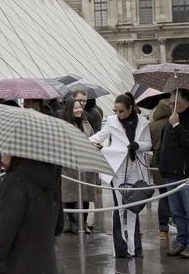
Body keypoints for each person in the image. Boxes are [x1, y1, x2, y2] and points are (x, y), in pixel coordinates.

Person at [89, 93, 152, 259]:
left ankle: (135, 248)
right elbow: (100, 136)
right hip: (117, 169)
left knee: (133, 208)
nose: (118, 114)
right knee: (118, 208)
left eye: (121, 111)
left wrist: (138, 145)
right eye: (115, 110)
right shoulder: (111, 121)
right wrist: (86, 141)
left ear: (130, 108)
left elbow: (149, 144)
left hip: (135, 168)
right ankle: (121, 249)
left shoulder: (143, 122)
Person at [157, 89, 189, 259]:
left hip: (188, 173)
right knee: (176, 211)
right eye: (170, 103)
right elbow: (164, 147)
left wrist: (177, 126)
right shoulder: (169, 122)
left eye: (174, 103)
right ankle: (182, 240)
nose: (171, 105)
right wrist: (162, 166)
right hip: (171, 172)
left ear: (186, 103)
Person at [59, 93, 98, 234]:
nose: (79, 110)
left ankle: (83, 223)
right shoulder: (63, 125)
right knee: (69, 195)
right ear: (69, 109)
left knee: (85, 195)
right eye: (76, 107)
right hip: (69, 165)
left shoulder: (86, 123)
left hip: (85, 164)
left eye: (80, 107)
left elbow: (93, 138)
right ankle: (73, 223)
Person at [146, 99, 173, 240]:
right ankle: (176, 222)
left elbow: (149, 145)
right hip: (171, 161)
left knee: (163, 195)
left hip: (156, 162)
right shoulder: (172, 122)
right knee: (174, 194)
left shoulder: (152, 125)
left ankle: (163, 229)